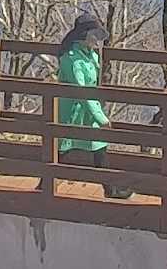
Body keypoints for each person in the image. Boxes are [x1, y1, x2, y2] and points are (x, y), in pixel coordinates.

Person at [55, 13, 133, 200]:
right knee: (62, 148)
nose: (97, 40)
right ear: (83, 35)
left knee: (99, 146)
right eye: (94, 35)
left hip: (88, 109)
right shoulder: (72, 59)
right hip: (74, 110)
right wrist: (101, 117)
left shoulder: (91, 56)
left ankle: (110, 188)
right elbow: (81, 91)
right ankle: (45, 184)